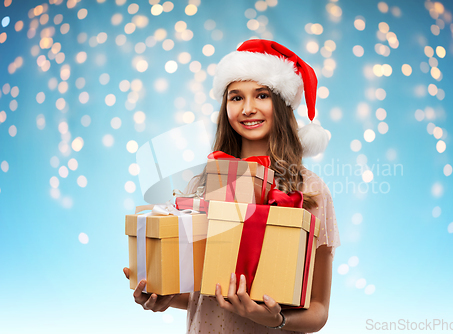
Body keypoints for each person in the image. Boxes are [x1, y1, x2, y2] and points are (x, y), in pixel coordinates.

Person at [123, 39, 340, 333]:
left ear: (281, 103)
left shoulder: (310, 190)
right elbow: (204, 292)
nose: (248, 108)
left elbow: (319, 310)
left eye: (261, 95)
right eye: (236, 97)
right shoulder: (201, 184)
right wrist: (166, 296)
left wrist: (277, 319)